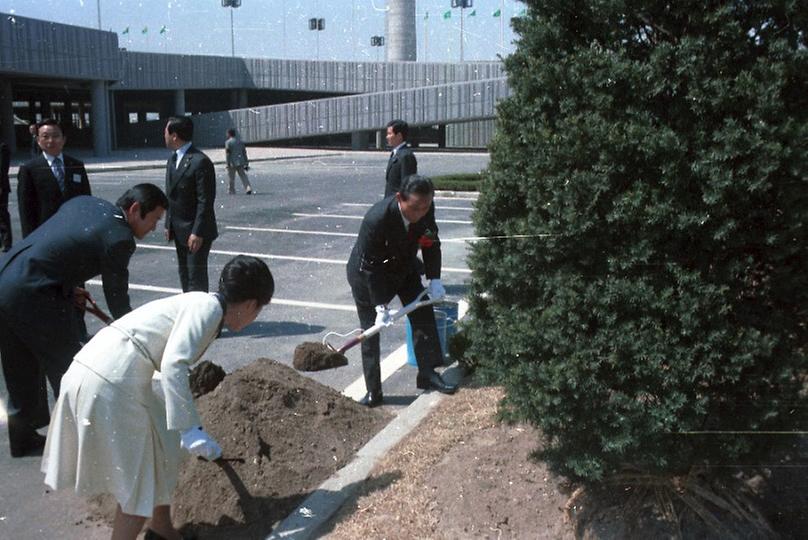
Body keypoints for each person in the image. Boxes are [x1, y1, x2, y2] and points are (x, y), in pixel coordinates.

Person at [42, 255, 274, 540]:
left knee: (162, 448)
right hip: (110, 382)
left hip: (100, 373)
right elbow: (174, 364)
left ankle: (161, 527)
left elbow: (162, 366)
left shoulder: (201, 304)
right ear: (251, 304)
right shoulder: (209, 309)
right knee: (138, 486)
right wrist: (190, 428)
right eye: (258, 310)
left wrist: (177, 423)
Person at [0, 184, 168, 458]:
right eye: (155, 219)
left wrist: (66, 286)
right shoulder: (120, 237)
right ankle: (86, 444)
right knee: (71, 369)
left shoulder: (86, 203)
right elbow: (117, 300)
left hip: (7, 279)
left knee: (19, 365)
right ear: (136, 210)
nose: (154, 228)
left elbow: (59, 245)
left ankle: (22, 439)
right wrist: (138, 336)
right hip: (35, 294)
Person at [347, 174, 457, 407]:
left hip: (403, 266)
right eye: (415, 207)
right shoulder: (377, 219)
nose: (420, 213)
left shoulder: (426, 209)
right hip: (367, 274)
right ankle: (373, 391)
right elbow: (369, 267)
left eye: (425, 207)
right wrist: (380, 305)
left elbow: (430, 242)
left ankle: (427, 373)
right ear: (400, 198)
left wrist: (435, 278)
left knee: (423, 313)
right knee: (371, 330)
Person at [164, 116, 218, 293]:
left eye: (166, 131)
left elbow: (206, 200)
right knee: (184, 275)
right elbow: (171, 195)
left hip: (196, 231)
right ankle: (190, 314)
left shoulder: (199, 161)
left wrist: (197, 231)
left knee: (196, 277)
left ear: (174, 136)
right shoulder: (173, 160)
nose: (163, 135)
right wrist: (168, 223)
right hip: (179, 229)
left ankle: (202, 318)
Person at [17, 118, 92, 238]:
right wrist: (29, 242)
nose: (51, 141)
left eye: (56, 136)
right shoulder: (29, 169)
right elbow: (26, 210)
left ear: (64, 139)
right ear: (38, 140)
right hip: (44, 234)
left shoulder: (76, 165)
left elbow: (87, 200)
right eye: (45, 136)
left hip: (74, 232)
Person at [383, 119, 417, 198]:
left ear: (399, 136)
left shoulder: (406, 156)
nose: (387, 137)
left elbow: (407, 185)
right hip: (390, 201)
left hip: (397, 203)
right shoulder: (395, 153)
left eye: (389, 134)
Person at [224, 128, 253, 195]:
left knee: (231, 177)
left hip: (232, 163)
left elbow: (228, 153)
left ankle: (231, 190)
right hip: (241, 161)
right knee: (243, 176)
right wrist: (246, 162)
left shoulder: (228, 142)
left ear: (229, 134)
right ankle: (248, 187)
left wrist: (227, 163)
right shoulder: (240, 142)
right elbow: (244, 152)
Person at [0, 138, 11, 252]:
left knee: (2, 215)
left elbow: (3, 168)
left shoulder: (2, 147)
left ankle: (7, 243)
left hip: (1, 187)